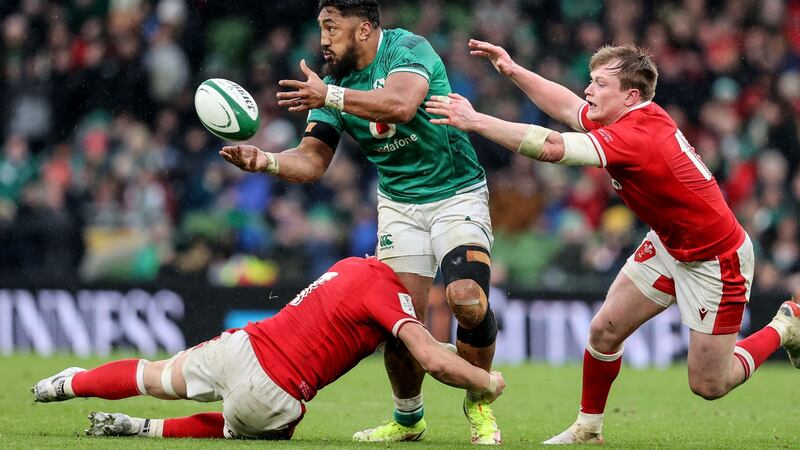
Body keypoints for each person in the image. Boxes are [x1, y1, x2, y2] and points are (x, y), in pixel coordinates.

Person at [425, 40, 800, 445]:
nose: (589, 90)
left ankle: (786, 324)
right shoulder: (627, 119)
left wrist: (476, 120)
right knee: (604, 331)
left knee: (710, 384)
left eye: (599, 84)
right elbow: (569, 109)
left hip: (715, 259)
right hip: (669, 245)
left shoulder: (637, 138)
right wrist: (513, 70)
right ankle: (589, 428)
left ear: (630, 95)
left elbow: (552, 147)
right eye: (591, 81)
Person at [219, 0, 501, 444]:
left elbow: (402, 105)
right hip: (398, 205)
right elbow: (312, 162)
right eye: (321, 28)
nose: (323, 39)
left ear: (365, 30)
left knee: (466, 299)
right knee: (402, 319)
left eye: (331, 28)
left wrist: (328, 95)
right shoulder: (333, 85)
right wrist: (266, 160)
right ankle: (409, 420)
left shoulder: (408, 48)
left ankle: (479, 403)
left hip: (456, 193)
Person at [32, 256, 505, 441]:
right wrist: (487, 380)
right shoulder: (392, 296)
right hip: (275, 392)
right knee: (241, 428)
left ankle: (69, 382)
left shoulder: (352, 267)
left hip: (242, 346)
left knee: (151, 375)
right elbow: (429, 356)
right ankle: (143, 428)